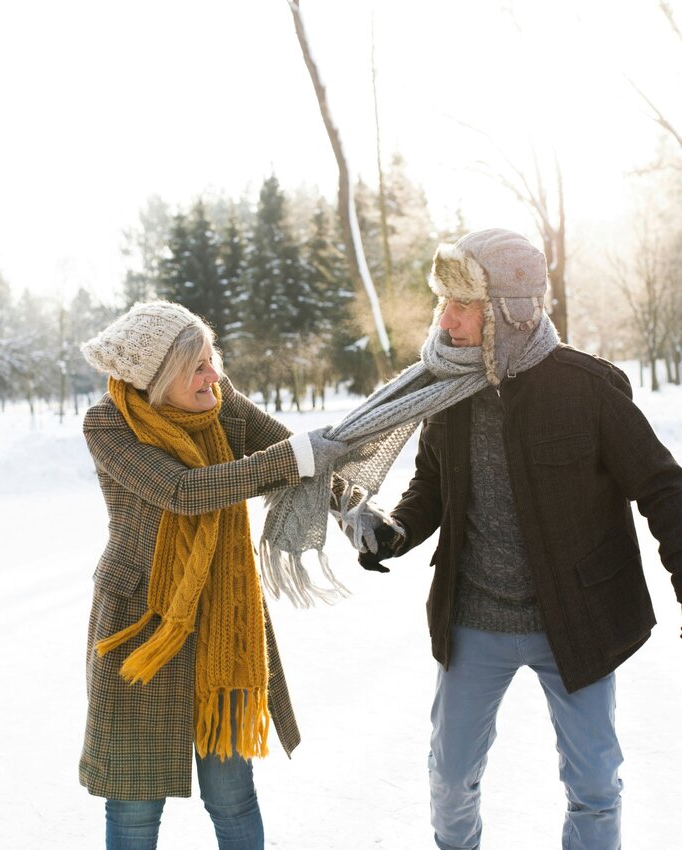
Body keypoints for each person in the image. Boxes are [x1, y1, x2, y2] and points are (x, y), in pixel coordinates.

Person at [353, 228, 682, 850]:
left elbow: (664, 487)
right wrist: (394, 532)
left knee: (595, 786)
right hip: (474, 618)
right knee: (450, 780)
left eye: (462, 305)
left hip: (578, 623)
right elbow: (431, 486)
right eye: (441, 302)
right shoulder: (446, 391)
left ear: (510, 310)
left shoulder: (587, 388)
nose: (444, 319)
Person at [78, 300, 346, 850]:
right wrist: (291, 460)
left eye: (212, 358)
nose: (214, 375)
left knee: (233, 796)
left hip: (222, 620)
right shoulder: (109, 422)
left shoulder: (221, 406)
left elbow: (295, 454)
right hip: (142, 624)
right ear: (157, 377)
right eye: (197, 366)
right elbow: (182, 492)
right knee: (133, 802)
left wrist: (354, 507)